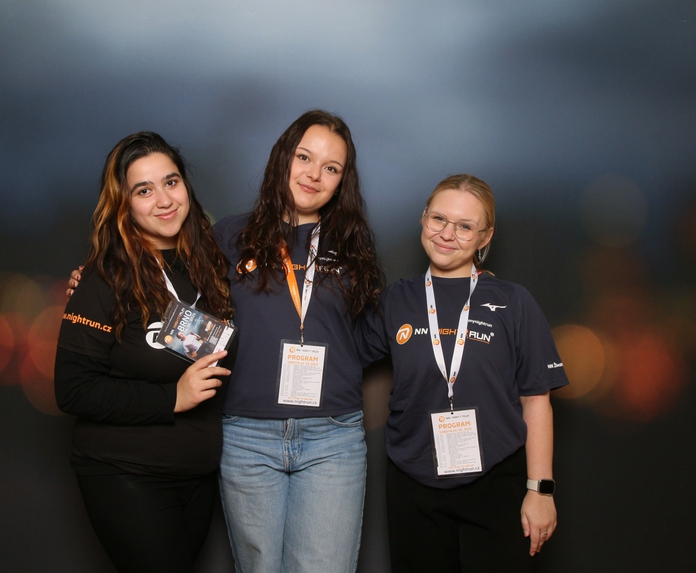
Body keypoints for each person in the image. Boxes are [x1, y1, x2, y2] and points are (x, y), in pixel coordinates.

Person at [355, 174, 568, 573]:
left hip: (496, 481)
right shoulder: (396, 299)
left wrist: (540, 490)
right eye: (439, 219)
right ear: (424, 218)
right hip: (412, 481)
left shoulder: (513, 302)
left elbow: (537, 400)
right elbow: (342, 358)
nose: (447, 234)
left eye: (465, 226)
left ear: (485, 237)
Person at [55, 131, 236, 573]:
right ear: (124, 204)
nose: (164, 200)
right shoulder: (105, 277)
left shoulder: (214, 267)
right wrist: (171, 398)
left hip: (197, 475)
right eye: (144, 190)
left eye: (171, 182)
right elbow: (72, 389)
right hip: (126, 473)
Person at [212, 110, 383, 572]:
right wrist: (95, 282)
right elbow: (173, 295)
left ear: (342, 181)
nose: (314, 174)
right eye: (305, 157)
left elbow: (369, 336)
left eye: (331, 167)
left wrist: (461, 288)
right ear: (283, 157)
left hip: (332, 439)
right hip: (246, 437)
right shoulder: (229, 236)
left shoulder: (353, 243)